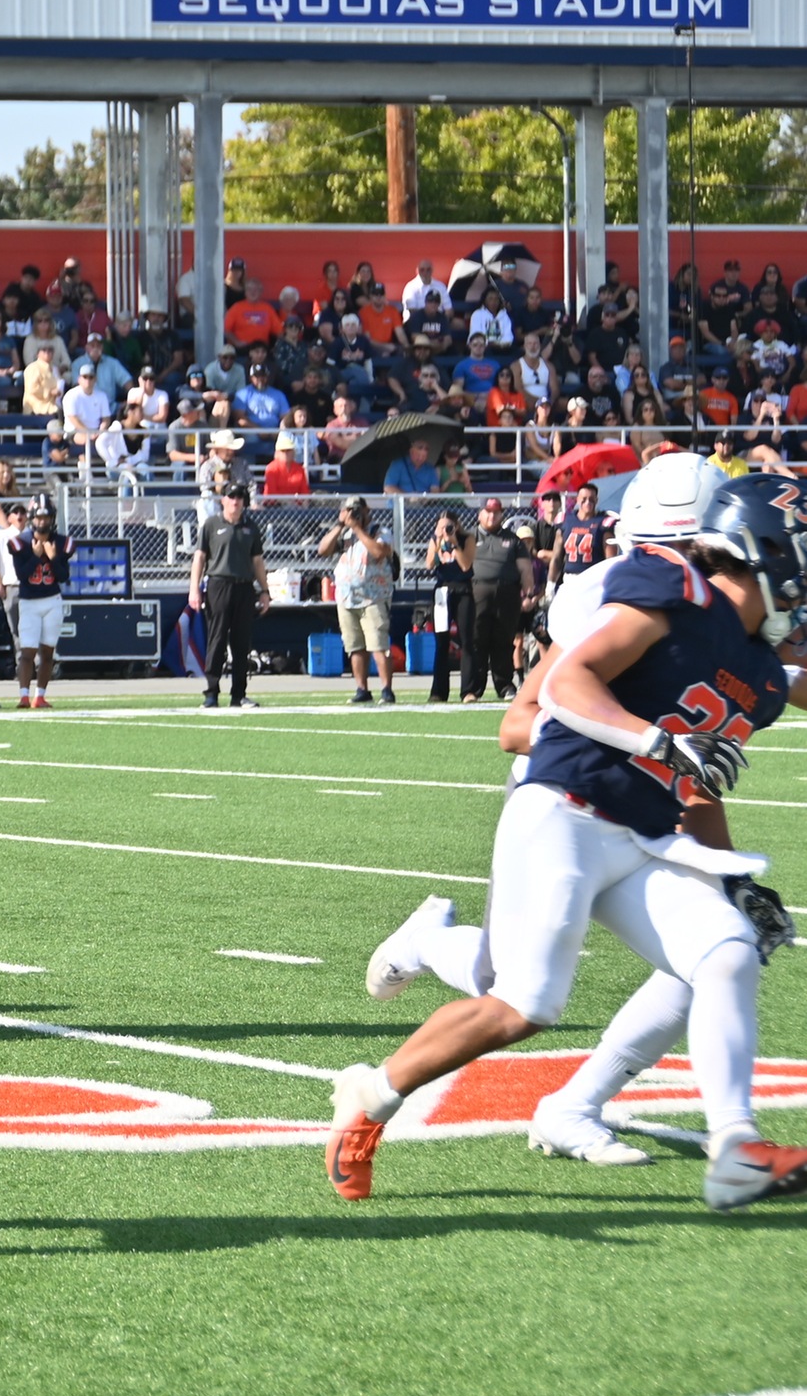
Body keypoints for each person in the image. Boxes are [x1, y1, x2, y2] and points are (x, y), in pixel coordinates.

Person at [329, 474, 807, 1212]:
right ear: (769, 551)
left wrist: (730, 881)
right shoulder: (671, 587)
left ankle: (736, 1149)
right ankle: (371, 1095)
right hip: (564, 810)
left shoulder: (759, 672)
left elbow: (699, 786)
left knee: (727, 948)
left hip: (640, 834)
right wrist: (657, 741)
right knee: (520, 1004)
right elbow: (566, 684)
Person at [190, 484, 270, 708]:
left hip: (244, 586)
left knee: (241, 642)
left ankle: (238, 694)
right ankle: (211, 692)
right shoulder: (211, 525)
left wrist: (265, 590)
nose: (236, 501)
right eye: (231, 496)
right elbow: (200, 558)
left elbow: (257, 561)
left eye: (240, 497)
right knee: (216, 639)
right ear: (223, 500)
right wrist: (194, 588)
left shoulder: (250, 527)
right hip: (219, 584)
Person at [321, 496, 397, 704]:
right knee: (355, 646)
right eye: (350, 510)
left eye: (357, 510)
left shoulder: (379, 531)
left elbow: (378, 552)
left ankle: (386, 690)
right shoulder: (344, 533)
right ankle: (362, 689)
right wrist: (340, 525)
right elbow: (323, 550)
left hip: (374, 597)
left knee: (378, 645)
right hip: (347, 598)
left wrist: (357, 529)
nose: (354, 514)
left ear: (366, 510)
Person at [0, 499, 69, 709]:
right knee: (27, 652)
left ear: (52, 518)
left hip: (52, 601)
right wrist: (36, 557)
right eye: (39, 517)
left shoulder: (61, 542)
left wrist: (53, 559)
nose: (42, 521)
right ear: (32, 518)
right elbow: (23, 575)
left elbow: (63, 576)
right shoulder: (21, 542)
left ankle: (40, 696)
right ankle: (24, 696)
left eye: (46, 517)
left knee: (48, 653)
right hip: (29, 602)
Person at [465, 497, 533, 702]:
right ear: (480, 513)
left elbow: (525, 568)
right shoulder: (469, 536)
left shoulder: (513, 540)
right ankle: (474, 688)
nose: (492, 516)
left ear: (502, 514)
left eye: (496, 512)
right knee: (477, 640)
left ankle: (504, 685)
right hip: (476, 592)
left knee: (503, 640)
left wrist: (528, 593)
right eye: (488, 511)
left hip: (507, 593)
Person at [425, 511, 474, 704]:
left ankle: (468, 690)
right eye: (441, 527)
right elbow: (429, 564)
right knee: (441, 642)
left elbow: (466, 565)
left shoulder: (467, 539)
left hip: (463, 590)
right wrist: (438, 542)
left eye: (448, 526)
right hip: (442, 592)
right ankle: (438, 691)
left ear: (456, 526)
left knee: (466, 641)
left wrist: (454, 543)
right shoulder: (435, 540)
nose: (444, 530)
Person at [549, 481, 611, 587]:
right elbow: (556, 557)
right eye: (584, 498)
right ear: (577, 499)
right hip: (570, 578)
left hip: (593, 579)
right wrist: (550, 584)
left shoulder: (603, 522)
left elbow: (609, 561)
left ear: (597, 500)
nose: (588, 502)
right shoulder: (565, 520)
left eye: (591, 499)